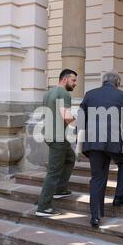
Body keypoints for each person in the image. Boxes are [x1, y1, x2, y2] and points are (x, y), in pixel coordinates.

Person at [77, 71, 123, 228]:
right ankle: (120, 195)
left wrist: (80, 142)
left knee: (97, 177)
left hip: (93, 142)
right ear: (117, 83)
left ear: (103, 82)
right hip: (114, 140)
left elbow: (81, 119)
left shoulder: (89, 94)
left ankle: (95, 216)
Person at [36, 69, 78, 217]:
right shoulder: (64, 94)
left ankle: (60, 189)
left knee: (70, 158)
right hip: (57, 137)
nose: (75, 84)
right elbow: (66, 116)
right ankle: (44, 206)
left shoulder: (48, 93)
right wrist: (79, 123)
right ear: (65, 79)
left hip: (50, 134)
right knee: (54, 171)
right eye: (73, 81)